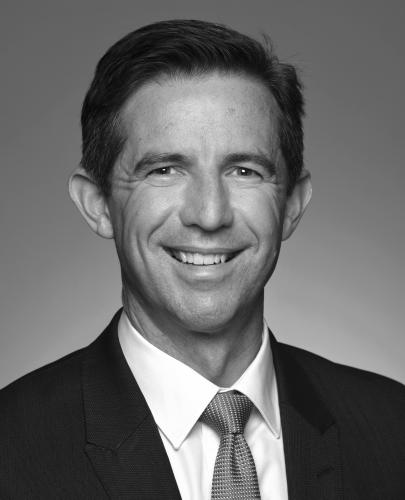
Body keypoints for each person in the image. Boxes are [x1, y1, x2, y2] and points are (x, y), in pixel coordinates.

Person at [0, 19, 404, 500]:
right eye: (165, 169)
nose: (210, 214)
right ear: (98, 204)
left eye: (244, 169)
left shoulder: (392, 429)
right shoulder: (13, 447)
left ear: (292, 204)